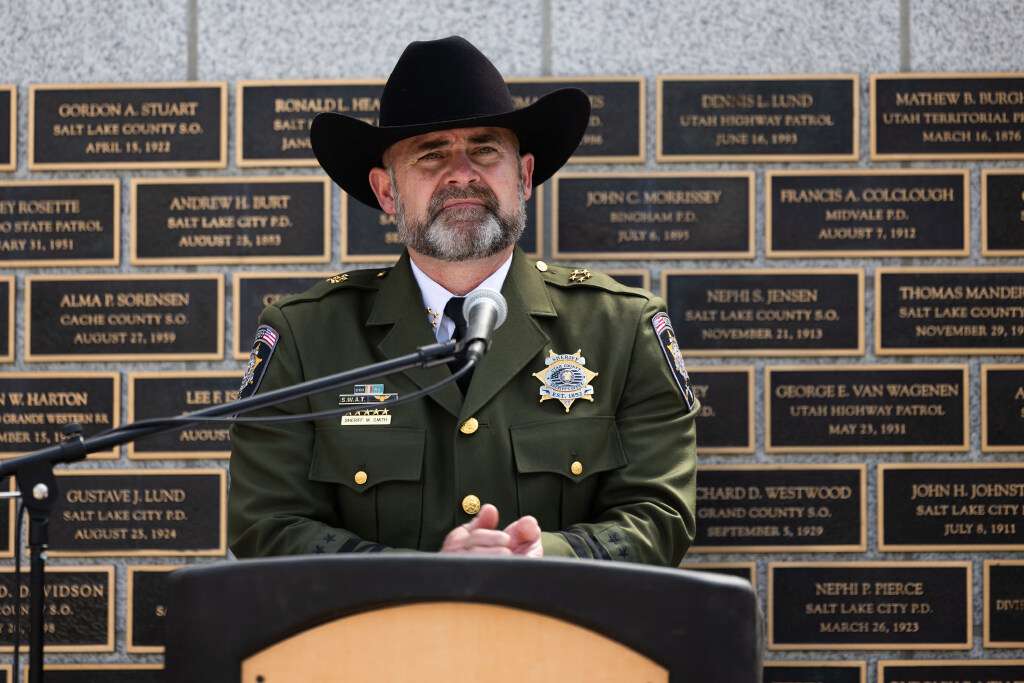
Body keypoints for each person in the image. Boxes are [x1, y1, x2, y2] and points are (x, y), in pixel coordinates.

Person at [228, 36, 698, 566]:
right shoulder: (307, 337)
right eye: (431, 155)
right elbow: (265, 526)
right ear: (387, 192)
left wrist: (546, 556)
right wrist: (421, 576)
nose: (462, 174)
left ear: (521, 176)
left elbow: (661, 514)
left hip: (561, 637)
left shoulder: (620, 328)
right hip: (380, 644)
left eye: (484, 149)